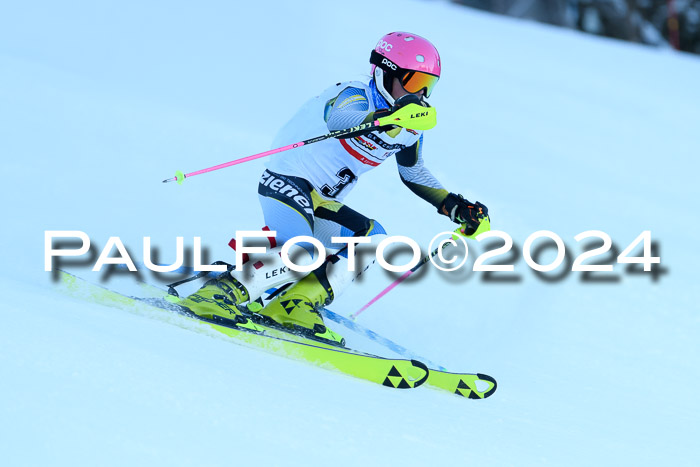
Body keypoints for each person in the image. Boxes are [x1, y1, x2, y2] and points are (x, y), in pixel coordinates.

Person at [178, 32, 488, 346]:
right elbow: (339, 119)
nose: (420, 94)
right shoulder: (355, 94)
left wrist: (455, 206)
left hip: (322, 199)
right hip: (287, 179)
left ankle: (293, 306)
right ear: (384, 73)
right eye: (412, 83)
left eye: (428, 86)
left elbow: (413, 171)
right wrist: (385, 117)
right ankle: (217, 294)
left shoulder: (410, 128)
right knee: (305, 251)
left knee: (372, 238)